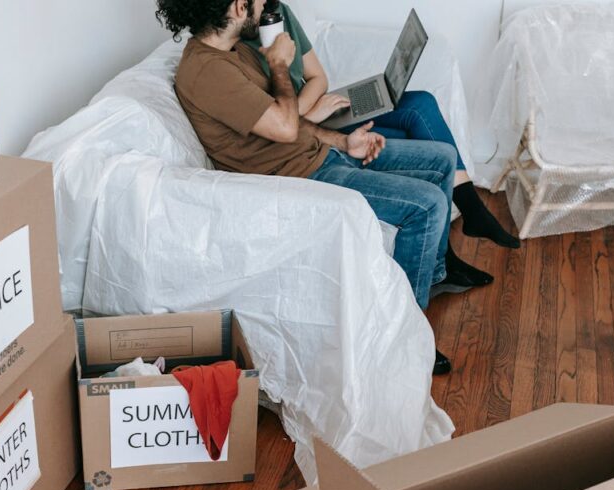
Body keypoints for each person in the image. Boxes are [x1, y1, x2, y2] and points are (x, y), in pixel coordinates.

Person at [155, 0, 493, 374]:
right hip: (297, 176)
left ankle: (430, 277)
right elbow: (284, 126)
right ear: (238, 7)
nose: (265, 4)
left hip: (317, 154)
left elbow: (291, 124)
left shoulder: (232, 54)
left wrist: (341, 141)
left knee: (442, 158)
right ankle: (403, 341)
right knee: (426, 205)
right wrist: (279, 63)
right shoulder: (206, 72)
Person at [242, 1, 520, 249]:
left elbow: (318, 77)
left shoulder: (280, 13)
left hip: (315, 110)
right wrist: (307, 116)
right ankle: (458, 236)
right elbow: (277, 124)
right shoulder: (238, 50)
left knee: (421, 102)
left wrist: (310, 107)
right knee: (410, 134)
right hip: (306, 127)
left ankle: (469, 215)